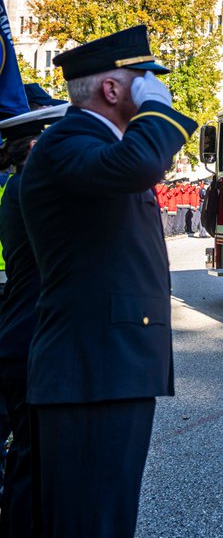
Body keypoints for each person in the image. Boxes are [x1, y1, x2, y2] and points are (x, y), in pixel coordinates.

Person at [21, 25, 197, 538]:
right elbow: (141, 162)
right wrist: (157, 109)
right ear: (114, 89)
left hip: (106, 367)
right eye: (142, 78)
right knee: (90, 523)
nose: (153, 86)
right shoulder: (68, 142)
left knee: (105, 517)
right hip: (91, 370)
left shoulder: (97, 147)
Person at [0, 103, 68, 536]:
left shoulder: (19, 187)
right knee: (33, 461)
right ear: (37, 145)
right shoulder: (32, 189)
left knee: (28, 458)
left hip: (19, 337)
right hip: (29, 344)